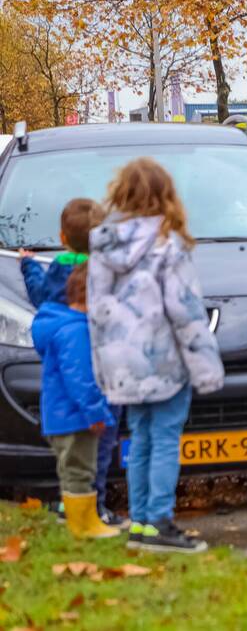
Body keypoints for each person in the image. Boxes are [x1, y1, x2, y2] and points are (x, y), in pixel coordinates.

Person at [88, 157, 224, 554]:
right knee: (164, 438)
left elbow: (96, 312)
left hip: (122, 364)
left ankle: (141, 523)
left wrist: (104, 367)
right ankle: (159, 521)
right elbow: (185, 312)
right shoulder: (168, 245)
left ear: (122, 193)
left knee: (141, 439)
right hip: (162, 360)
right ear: (166, 195)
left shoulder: (103, 244)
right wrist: (206, 367)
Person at [19, 198, 125, 529]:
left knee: (78, 457)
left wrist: (29, 265)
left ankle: (81, 505)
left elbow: (39, 296)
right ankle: (94, 508)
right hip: (105, 371)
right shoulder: (106, 270)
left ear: (62, 238)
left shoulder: (58, 271)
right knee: (100, 448)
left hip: (71, 384)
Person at [30, 264, 119, 539]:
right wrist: (96, 412)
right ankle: (83, 525)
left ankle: (82, 519)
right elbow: (80, 378)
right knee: (81, 471)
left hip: (61, 416)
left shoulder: (57, 322)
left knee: (72, 471)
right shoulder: (76, 331)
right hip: (76, 417)